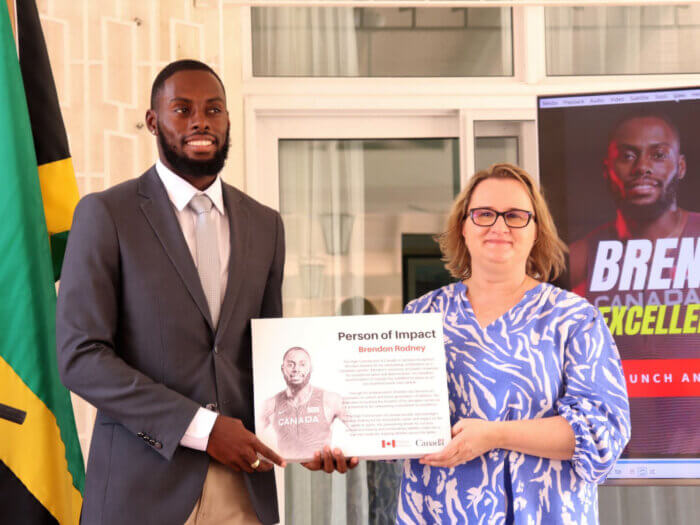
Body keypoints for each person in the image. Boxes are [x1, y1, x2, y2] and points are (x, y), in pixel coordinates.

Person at [55, 60, 350, 525]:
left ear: (227, 120)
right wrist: (204, 429)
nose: (201, 121)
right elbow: (80, 356)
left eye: (214, 109)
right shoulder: (106, 215)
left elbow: (263, 358)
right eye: (182, 109)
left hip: (243, 490)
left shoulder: (264, 225)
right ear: (153, 121)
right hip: (142, 490)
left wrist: (308, 438)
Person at [398, 163, 630, 523]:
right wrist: (344, 444)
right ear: (463, 225)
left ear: (536, 230)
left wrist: (495, 434)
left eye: (516, 216)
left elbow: (603, 433)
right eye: (485, 214)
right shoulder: (422, 315)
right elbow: (390, 419)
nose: (499, 226)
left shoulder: (573, 318)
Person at [569, 112, 700, 456]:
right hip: (612, 458)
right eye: (628, 155)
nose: (642, 166)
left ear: (681, 166)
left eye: (658, 154)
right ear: (607, 169)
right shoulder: (580, 258)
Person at [259, 346, 346, 461]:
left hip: (323, 469)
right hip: (287, 469)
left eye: (302, 364)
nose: (296, 369)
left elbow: (362, 429)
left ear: (310, 368)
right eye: (290, 364)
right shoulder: (270, 404)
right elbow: (253, 436)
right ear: (282, 368)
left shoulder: (330, 400)